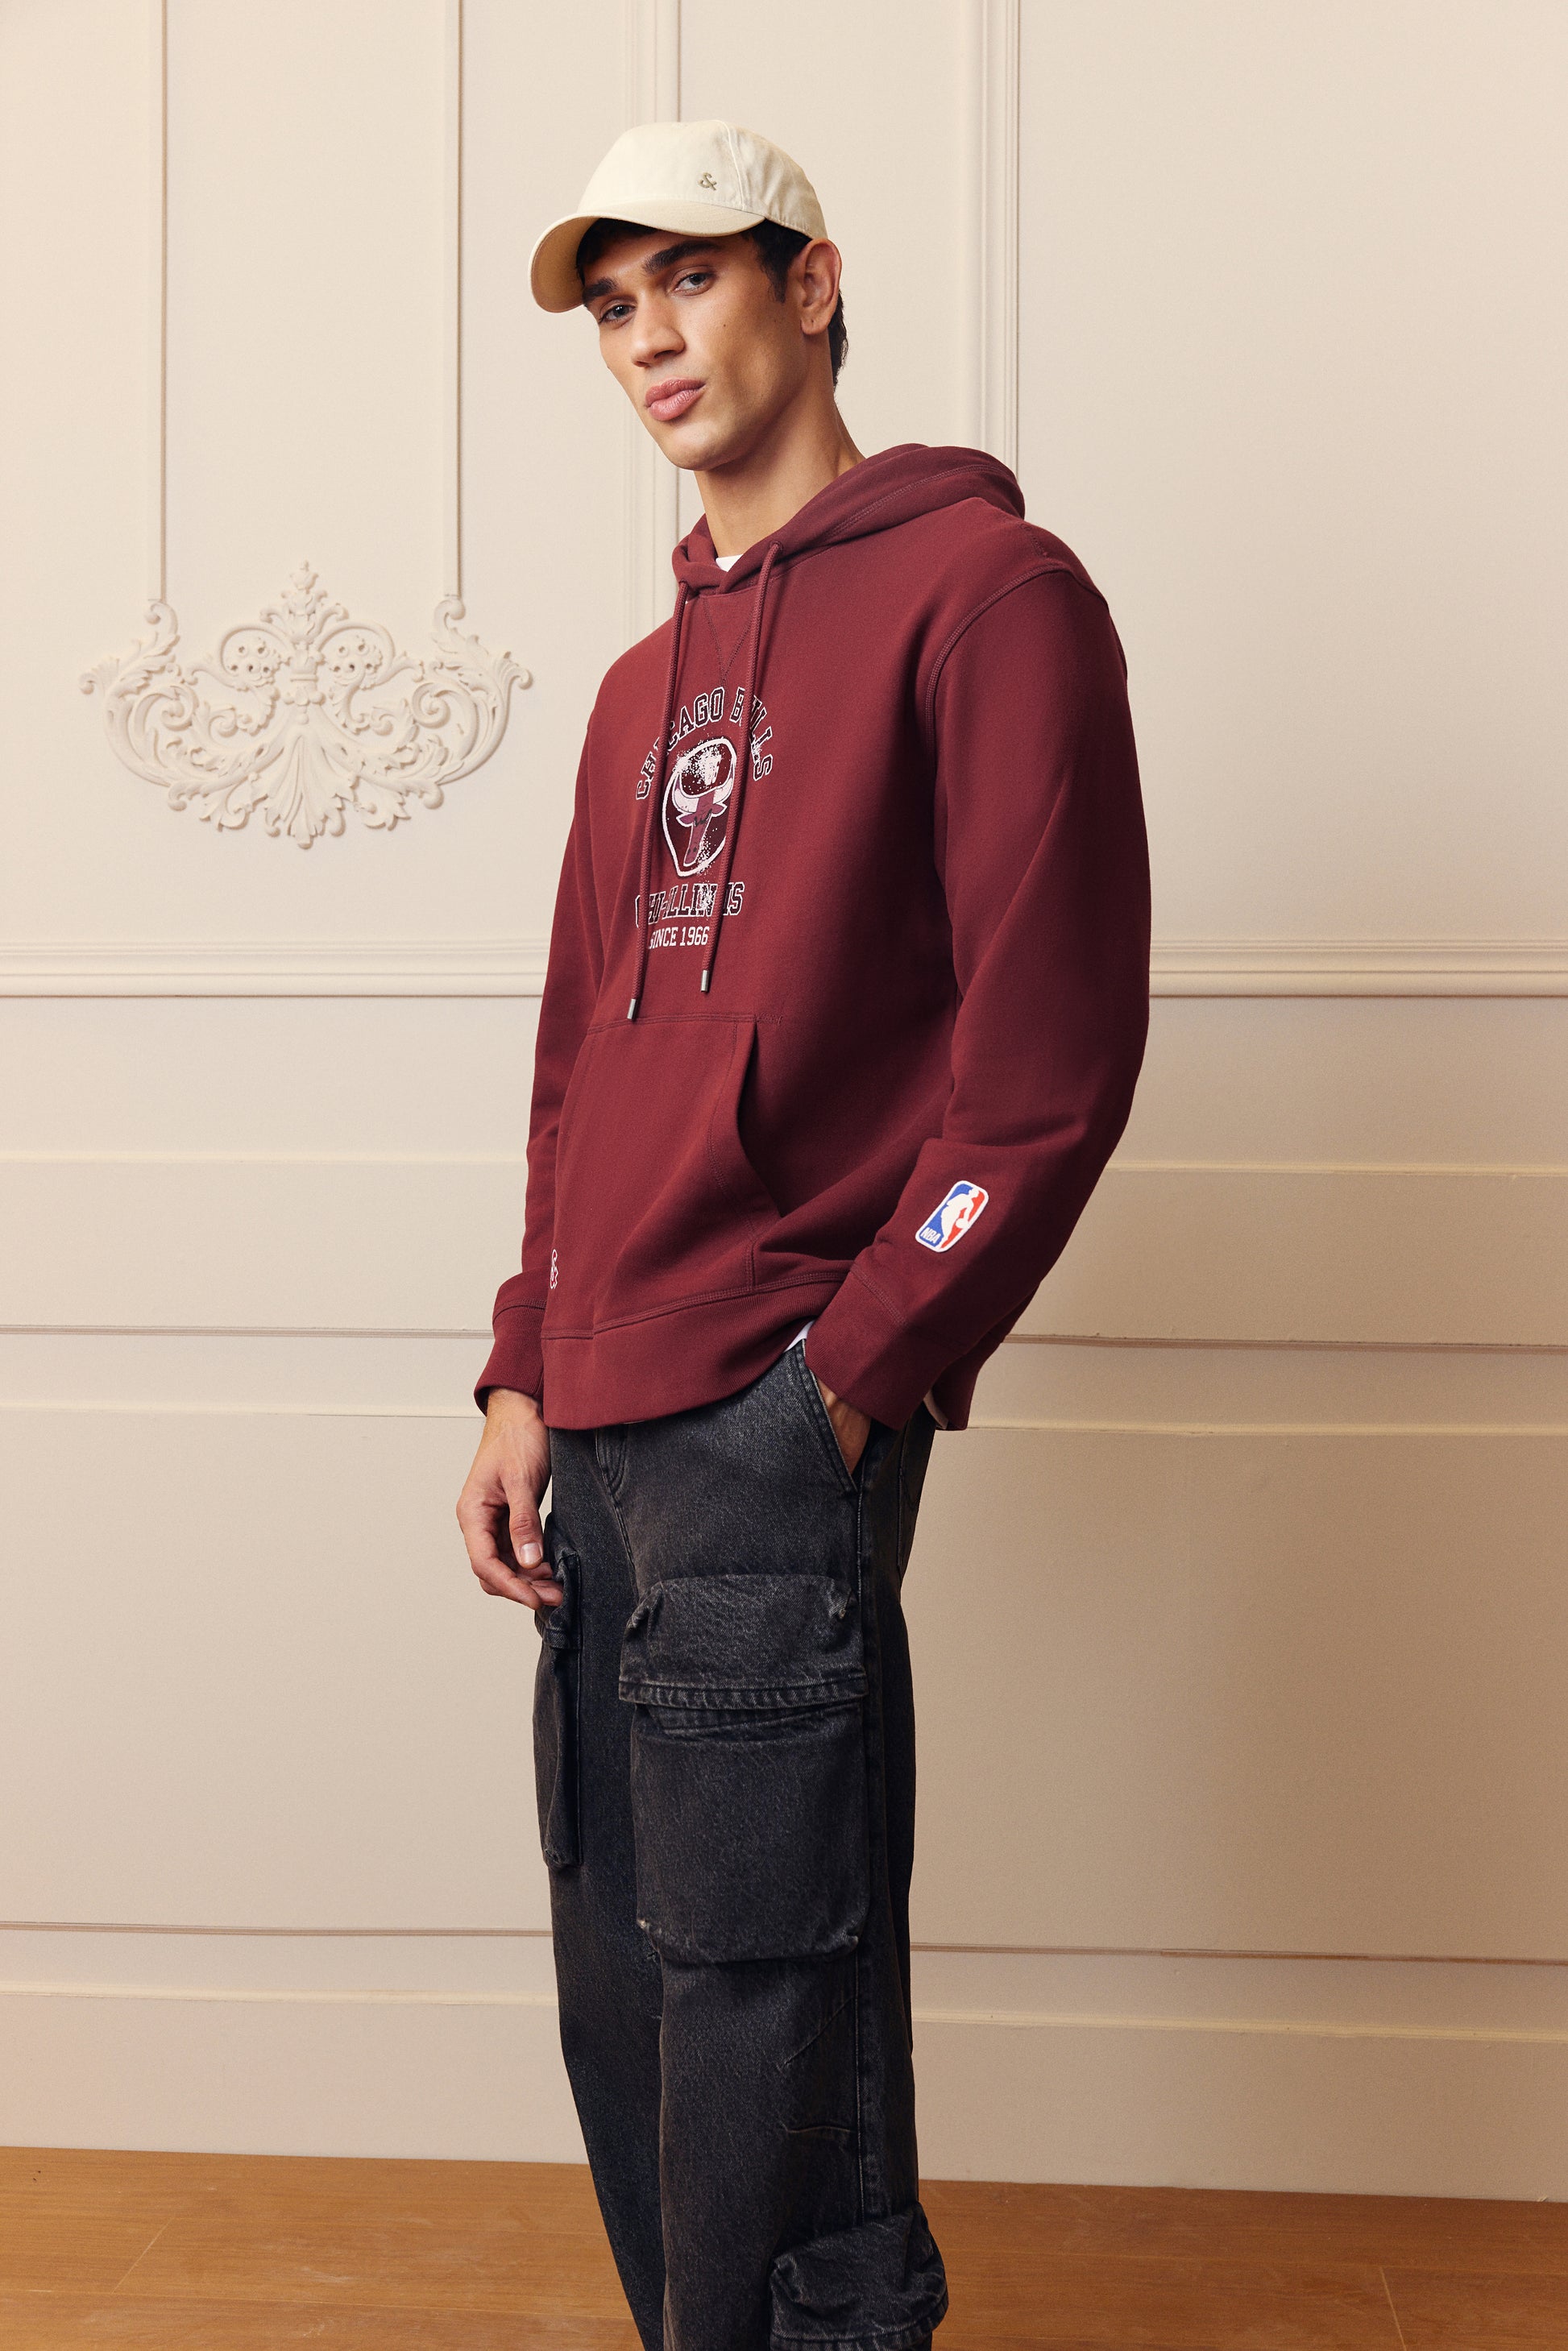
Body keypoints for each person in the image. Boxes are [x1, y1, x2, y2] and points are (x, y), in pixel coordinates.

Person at [455, 117, 1151, 2351]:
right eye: (612, 306)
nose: (648, 340)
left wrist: (854, 1369)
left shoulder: (990, 597)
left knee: (773, 2000)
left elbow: (1042, 1068)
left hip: (774, 1402)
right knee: (636, 1987)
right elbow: (575, 1072)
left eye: (691, 279)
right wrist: (519, 1362)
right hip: (598, 1420)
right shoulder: (631, 693)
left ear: (811, 284)